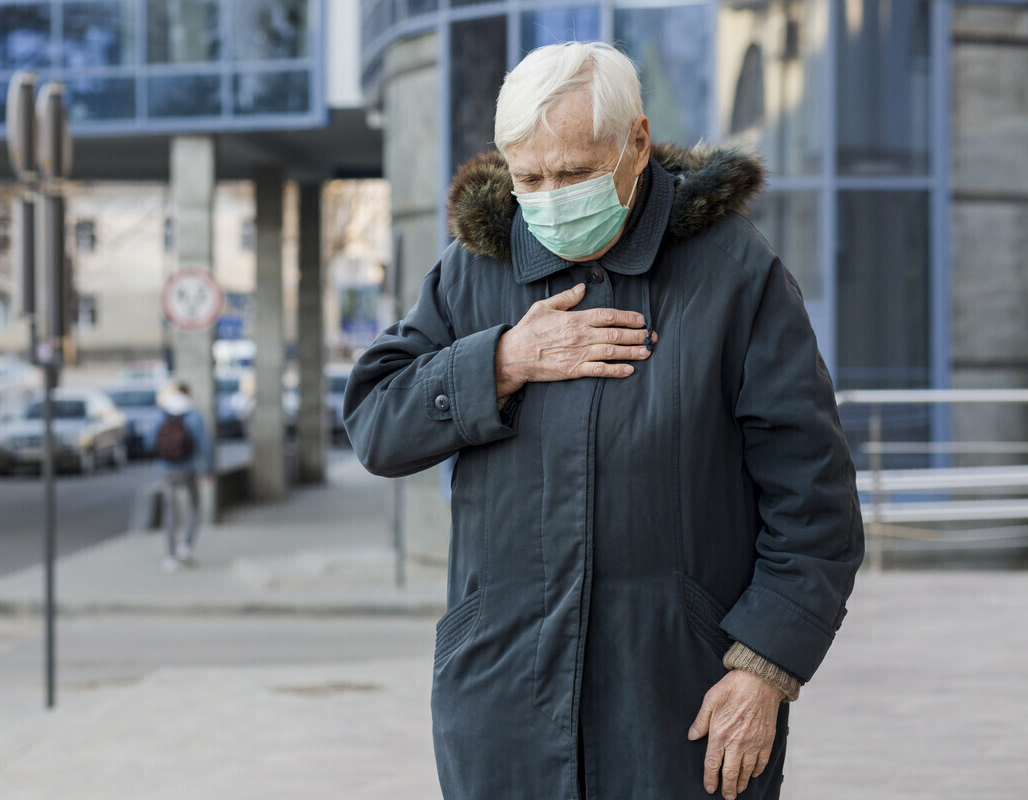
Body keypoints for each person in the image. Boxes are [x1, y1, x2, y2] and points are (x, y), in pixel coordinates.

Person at [344, 41, 864, 800]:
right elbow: (375, 423)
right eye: (529, 178)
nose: (550, 197)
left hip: (681, 706)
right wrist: (502, 361)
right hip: (503, 708)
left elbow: (815, 503)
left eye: (575, 173)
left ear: (638, 143)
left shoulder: (734, 273)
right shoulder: (474, 270)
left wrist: (765, 669)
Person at [154, 382, 213, 572]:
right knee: (194, 506)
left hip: (166, 470)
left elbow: (150, 439)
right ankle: (185, 546)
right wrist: (208, 470)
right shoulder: (194, 416)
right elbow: (205, 445)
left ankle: (170, 556)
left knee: (170, 512)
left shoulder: (163, 414)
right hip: (188, 469)